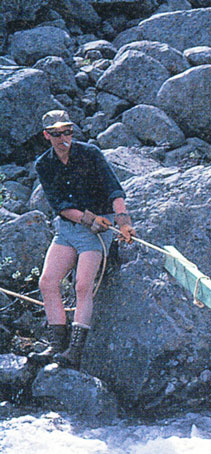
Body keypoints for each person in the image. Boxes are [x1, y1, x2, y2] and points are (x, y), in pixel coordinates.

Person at [31, 109, 135, 369]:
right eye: (56, 133)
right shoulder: (44, 164)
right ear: (47, 136)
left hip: (98, 231)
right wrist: (88, 219)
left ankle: (74, 352)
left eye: (67, 131)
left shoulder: (90, 153)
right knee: (47, 282)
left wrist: (122, 221)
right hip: (69, 227)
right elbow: (60, 205)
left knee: (82, 285)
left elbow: (114, 188)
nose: (63, 137)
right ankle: (57, 345)